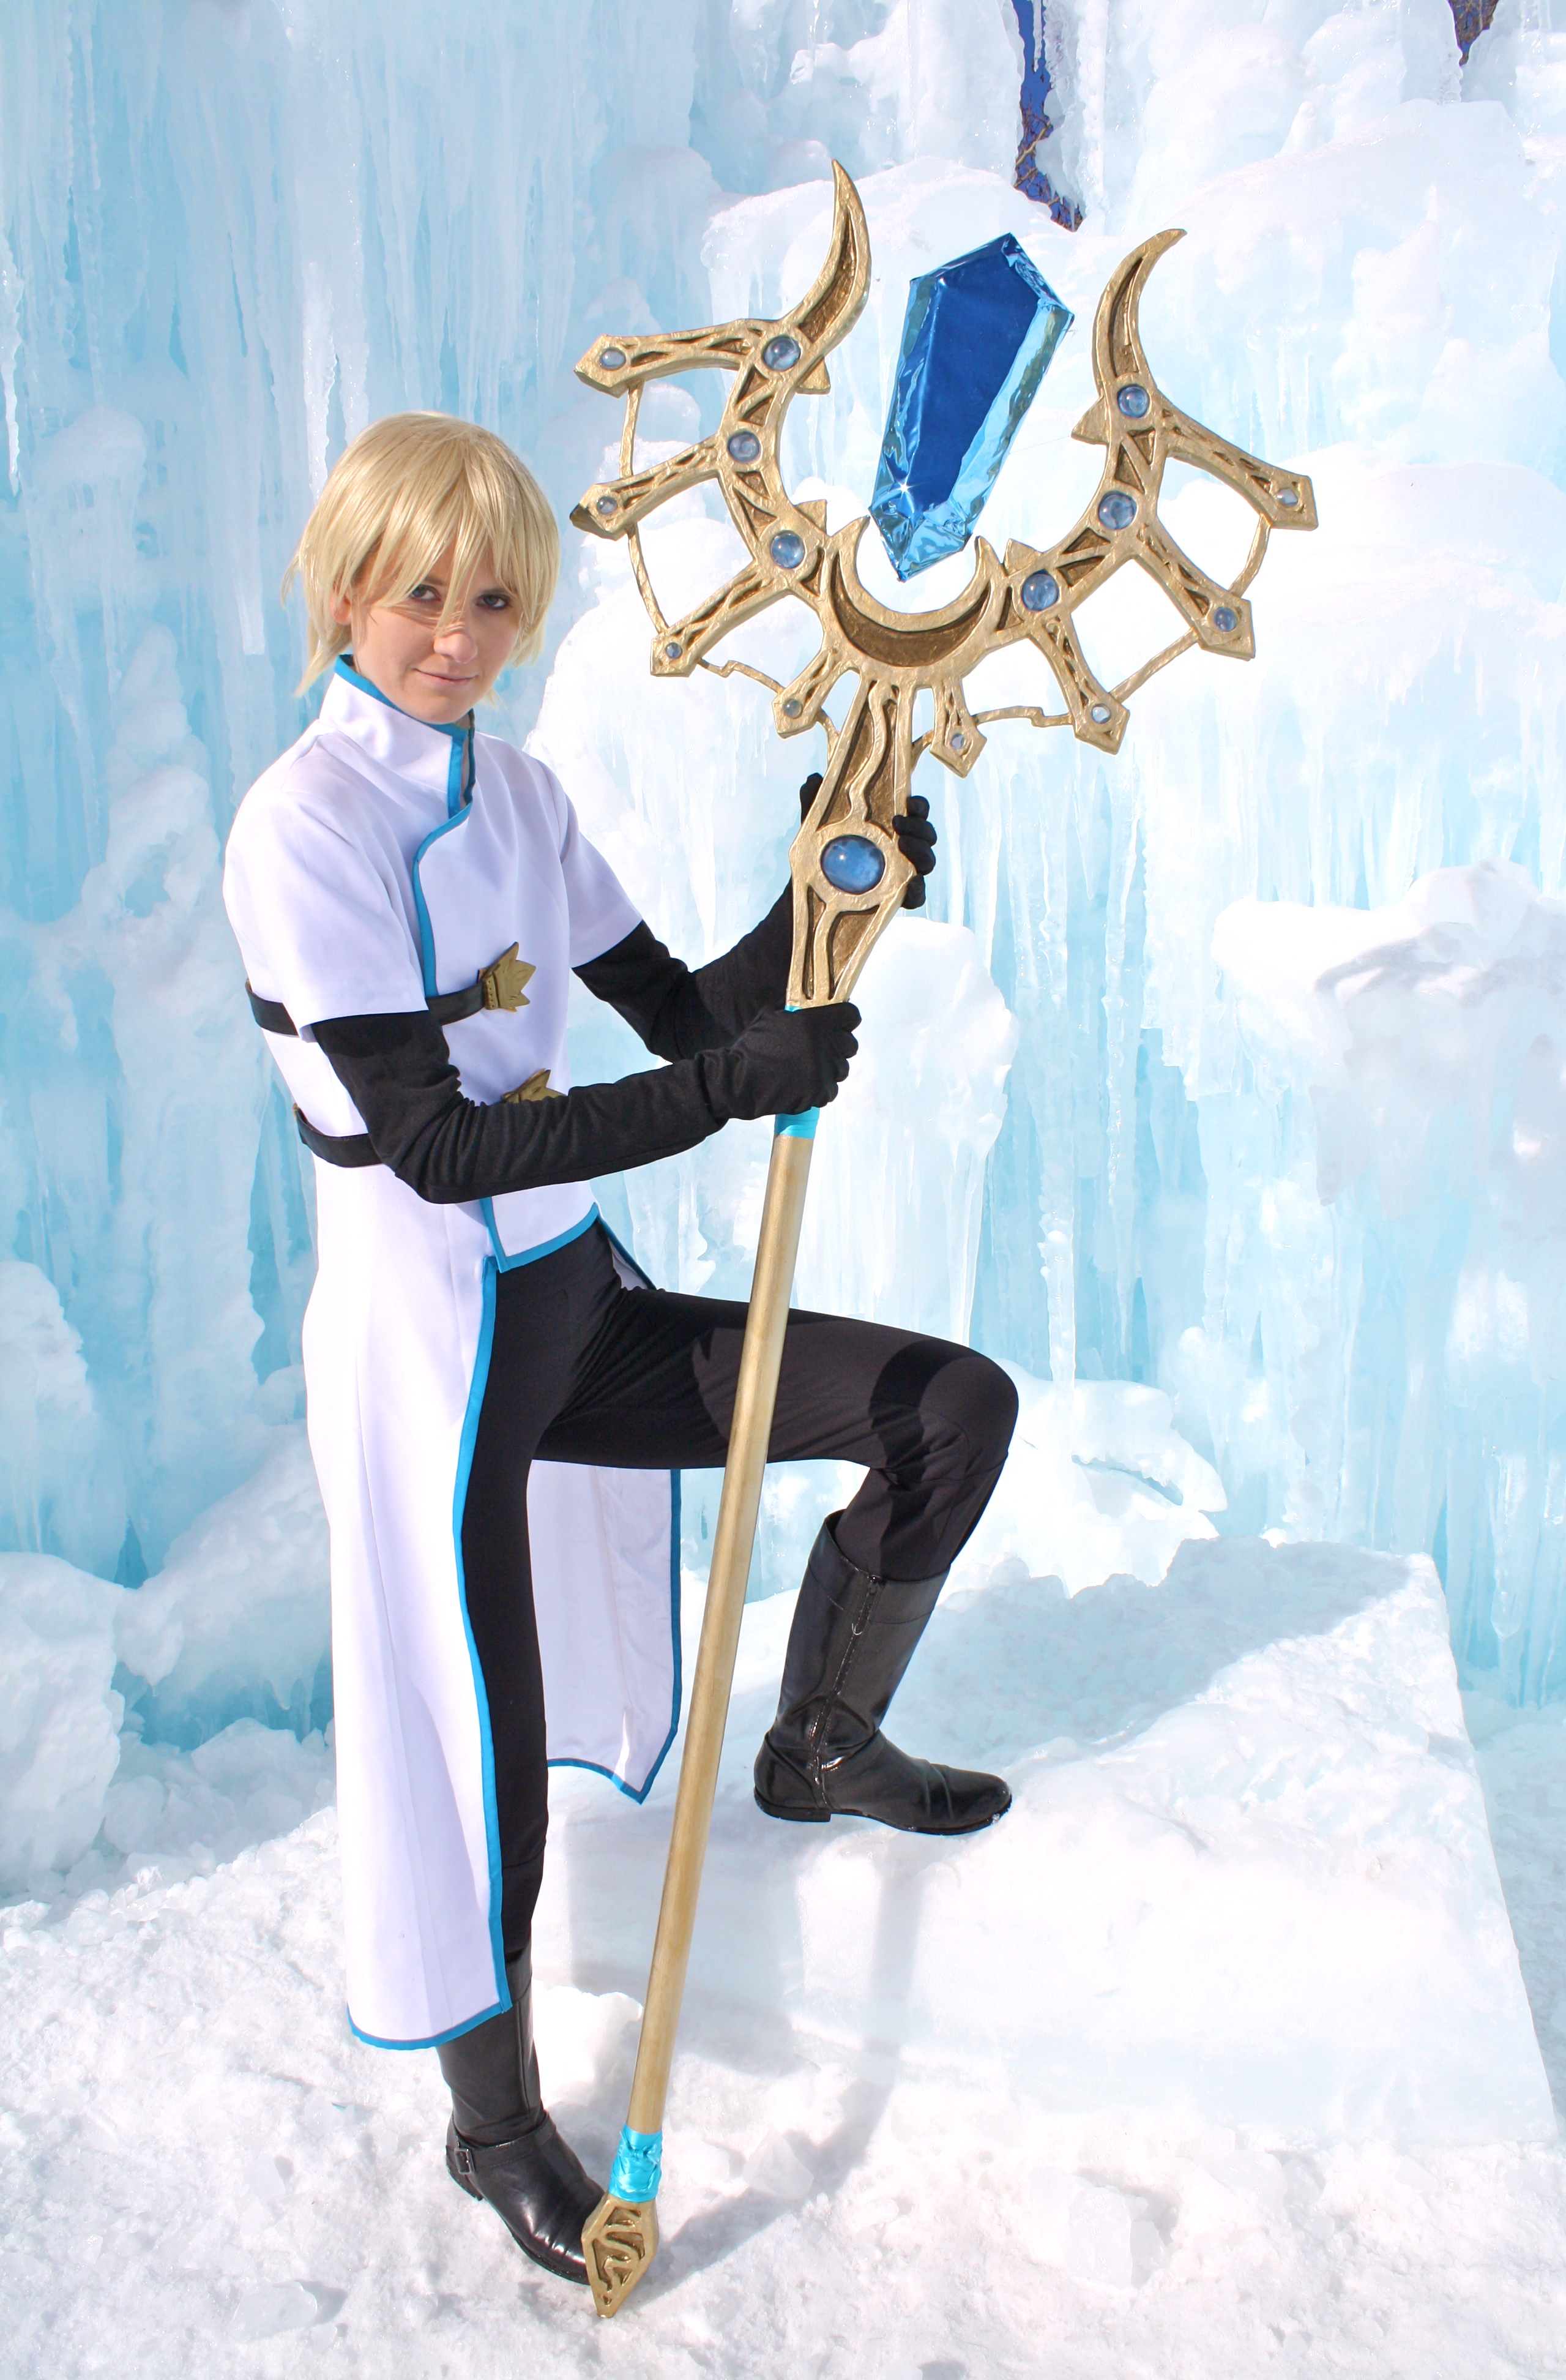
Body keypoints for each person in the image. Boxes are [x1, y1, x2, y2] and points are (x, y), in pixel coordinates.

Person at [222, 411, 1018, 2287]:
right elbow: (435, 1146)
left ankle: (821, 1742)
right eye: (421, 594)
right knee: (476, 1755)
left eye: (494, 600)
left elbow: (683, 1012)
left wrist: (834, 897)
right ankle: (493, 2126)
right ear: (345, 587)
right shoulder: (303, 827)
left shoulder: (519, 799)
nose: (457, 635)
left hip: (574, 1307)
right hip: (432, 1362)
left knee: (944, 1411)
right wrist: (727, 1093)